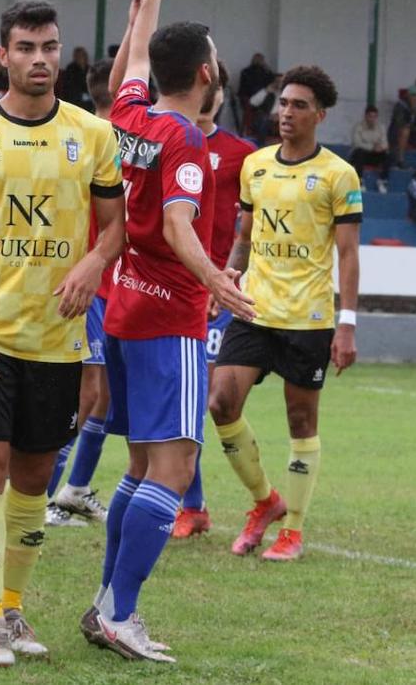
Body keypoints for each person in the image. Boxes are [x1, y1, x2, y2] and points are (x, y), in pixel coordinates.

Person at [0, 0, 125, 667]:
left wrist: (93, 265)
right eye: (25, 47)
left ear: (59, 53)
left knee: (35, 480)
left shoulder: (94, 136)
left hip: (58, 341)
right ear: (3, 55)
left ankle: (11, 607)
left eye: (49, 47)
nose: (39, 59)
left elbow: (114, 231)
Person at [84, 0, 253, 664]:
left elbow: (131, 62)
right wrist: (215, 279)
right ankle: (121, 612)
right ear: (209, 73)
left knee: (139, 468)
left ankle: (105, 606)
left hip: (123, 309)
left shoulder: (129, 117)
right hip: (170, 317)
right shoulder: (184, 139)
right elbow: (182, 224)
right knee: (175, 470)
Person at [207, 57, 362, 566]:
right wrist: (228, 276)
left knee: (301, 421)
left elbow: (348, 254)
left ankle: (292, 529)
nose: (286, 113)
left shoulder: (338, 175)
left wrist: (348, 324)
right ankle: (264, 502)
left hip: (308, 319)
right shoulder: (257, 165)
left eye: (299, 105)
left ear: (320, 114)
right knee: (221, 404)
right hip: (255, 309)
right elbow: (245, 238)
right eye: (283, 103)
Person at [172, 59, 257, 539]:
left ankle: (195, 504)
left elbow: (248, 230)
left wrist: (226, 283)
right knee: (182, 398)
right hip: (178, 288)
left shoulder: (243, 154)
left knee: (204, 396)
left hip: (220, 293)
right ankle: (193, 503)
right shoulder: (172, 140)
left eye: (216, 88)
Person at [46, 56, 121, 530]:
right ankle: (42, 496)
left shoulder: (89, 132)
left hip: (108, 286)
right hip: (92, 285)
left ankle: (70, 488)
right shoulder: (101, 139)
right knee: (85, 396)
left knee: (101, 396)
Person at [389, 86, 416, 168]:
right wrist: (411, 111)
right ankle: (400, 160)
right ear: (408, 95)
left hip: (415, 133)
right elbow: (399, 123)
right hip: (398, 134)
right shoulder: (400, 105)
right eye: (412, 95)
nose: (414, 97)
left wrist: (415, 111)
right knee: (405, 131)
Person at [349, 105, 390, 192]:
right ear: (366, 116)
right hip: (362, 154)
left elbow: (385, 143)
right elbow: (357, 143)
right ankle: (359, 180)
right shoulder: (358, 127)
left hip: (375, 154)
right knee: (359, 153)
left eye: (374, 116)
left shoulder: (381, 127)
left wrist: (380, 148)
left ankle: (382, 181)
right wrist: (372, 147)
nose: (372, 119)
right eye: (370, 116)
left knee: (388, 156)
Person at [58, 46, 93, 111]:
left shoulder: (89, 68)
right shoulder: (71, 68)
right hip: (74, 96)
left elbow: (91, 83)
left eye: (82, 56)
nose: (81, 58)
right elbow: (70, 85)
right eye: (78, 56)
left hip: (87, 95)